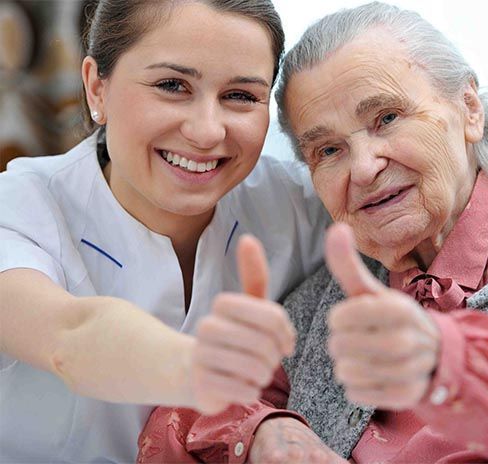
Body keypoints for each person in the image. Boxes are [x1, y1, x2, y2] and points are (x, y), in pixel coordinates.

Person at [139, 2, 488, 463]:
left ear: (469, 109)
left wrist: (440, 356)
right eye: (329, 150)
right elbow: (179, 415)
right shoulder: (321, 306)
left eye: (386, 117)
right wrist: (264, 431)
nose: (363, 168)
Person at [0, 0, 331, 462]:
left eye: (240, 96)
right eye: (172, 85)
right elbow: (69, 336)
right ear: (97, 87)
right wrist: (204, 372)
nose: (206, 131)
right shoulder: (18, 207)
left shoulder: (296, 204)